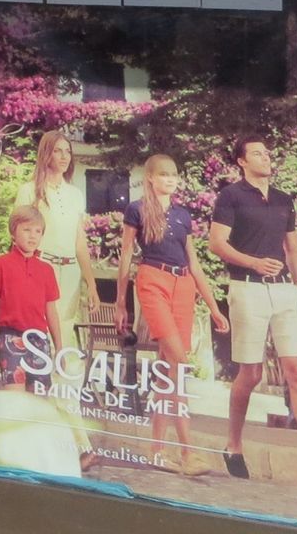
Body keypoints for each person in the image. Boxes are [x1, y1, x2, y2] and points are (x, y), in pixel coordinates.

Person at [207, 135, 297, 497]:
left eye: (267, 152)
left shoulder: (285, 199)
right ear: (241, 161)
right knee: (250, 373)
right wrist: (253, 262)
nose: (265, 157)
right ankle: (234, 444)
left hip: (285, 291)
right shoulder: (231, 197)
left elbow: (292, 245)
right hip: (247, 287)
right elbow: (216, 244)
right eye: (257, 152)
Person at [115, 153, 228, 477]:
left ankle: (156, 450)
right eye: (164, 174)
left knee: (167, 371)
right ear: (150, 177)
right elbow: (125, 257)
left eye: (174, 174)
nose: (170, 179)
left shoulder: (183, 214)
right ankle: (188, 453)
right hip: (152, 279)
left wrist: (214, 306)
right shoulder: (136, 209)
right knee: (178, 363)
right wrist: (121, 302)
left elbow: (194, 262)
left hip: (184, 285)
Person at [15, 130, 103, 344]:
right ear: (47, 154)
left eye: (67, 151)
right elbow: (17, 238)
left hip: (71, 270)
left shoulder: (75, 194)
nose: (64, 157)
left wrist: (91, 284)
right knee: (39, 329)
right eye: (58, 151)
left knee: (64, 329)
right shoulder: (29, 191)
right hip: (41, 266)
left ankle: (57, 372)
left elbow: (80, 242)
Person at [0, 205, 63, 384]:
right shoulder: (2, 264)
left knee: (38, 400)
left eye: (38, 231)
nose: (32, 235)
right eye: (26, 230)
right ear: (13, 233)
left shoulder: (46, 270)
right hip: (11, 338)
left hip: (40, 340)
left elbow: (51, 311)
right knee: (15, 396)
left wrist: (59, 348)